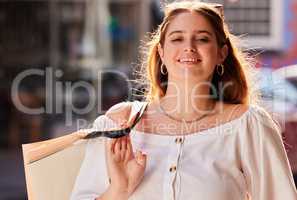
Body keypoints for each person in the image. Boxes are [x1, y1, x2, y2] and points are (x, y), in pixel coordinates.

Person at [71, 1, 297, 200]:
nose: (188, 46)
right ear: (161, 52)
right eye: (177, 38)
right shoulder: (119, 126)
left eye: (202, 38)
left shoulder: (250, 125)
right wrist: (119, 190)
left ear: (222, 53)